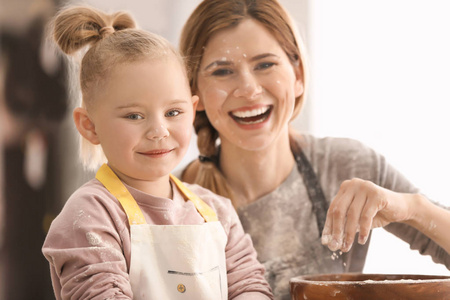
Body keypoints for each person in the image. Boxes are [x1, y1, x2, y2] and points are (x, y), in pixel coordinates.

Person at [178, 0, 450, 299]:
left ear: (298, 76)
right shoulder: (170, 202)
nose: (249, 89)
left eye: (265, 65)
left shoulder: (347, 166)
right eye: (222, 71)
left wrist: (411, 209)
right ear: (195, 93)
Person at [41, 5, 274, 300]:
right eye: (134, 116)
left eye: (173, 112)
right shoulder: (90, 215)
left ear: (192, 110)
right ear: (90, 126)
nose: (159, 131)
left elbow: (250, 287)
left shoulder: (217, 212)